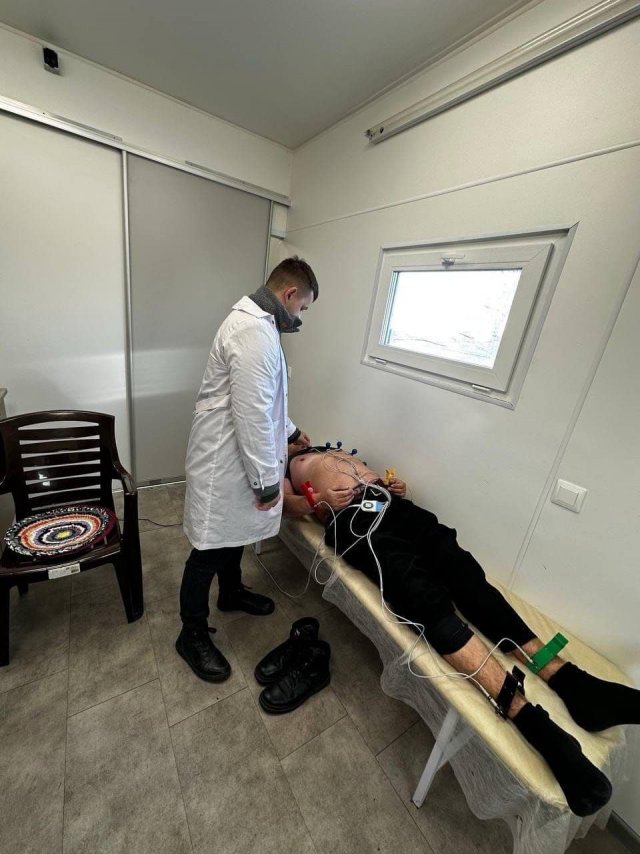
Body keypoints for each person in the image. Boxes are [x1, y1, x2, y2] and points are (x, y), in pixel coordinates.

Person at [283, 445, 640, 817]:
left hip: (390, 503)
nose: (298, 436)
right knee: (416, 593)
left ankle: (572, 683)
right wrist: (318, 500)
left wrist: (394, 487)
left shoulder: (330, 448)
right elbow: (282, 507)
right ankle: (532, 722)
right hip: (353, 519)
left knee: (463, 572)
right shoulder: (286, 462)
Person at [176, 257, 318, 682]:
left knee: (234, 533)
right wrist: (267, 484)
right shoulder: (252, 331)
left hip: (235, 455)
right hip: (224, 460)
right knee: (208, 549)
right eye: (302, 307)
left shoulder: (262, 326)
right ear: (289, 294)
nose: (300, 317)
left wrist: (291, 432)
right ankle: (191, 633)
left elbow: (267, 397)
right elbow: (252, 414)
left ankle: (232, 592)